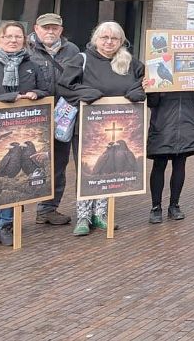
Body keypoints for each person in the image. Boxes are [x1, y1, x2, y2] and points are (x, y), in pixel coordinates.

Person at [59, 21, 145, 236]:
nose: (109, 42)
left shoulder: (129, 62)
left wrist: (139, 91)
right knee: (88, 173)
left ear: (121, 41)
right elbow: (63, 85)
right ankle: (83, 216)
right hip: (89, 127)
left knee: (110, 172)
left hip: (119, 127)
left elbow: (145, 81)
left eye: (114, 38)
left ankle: (101, 214)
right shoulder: (82, 59)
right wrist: (82, 92)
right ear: (95, 39)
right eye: (104, 37)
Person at [0, 22, 50, 247]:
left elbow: (46, 90)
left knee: (11, 179)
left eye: (18, 37)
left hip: (20, 125)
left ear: (24, 40)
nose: (13, 40)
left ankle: (5, 225)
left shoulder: (31, 65)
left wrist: (36, 93)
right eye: (8, 37)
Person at [27, 13, 80, 226]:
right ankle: (10, 215)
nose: (50, 31)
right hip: (34, 118)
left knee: (58, 164)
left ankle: (48, 209)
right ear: (36, 28)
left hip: (63, 117)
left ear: (61, 30)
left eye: (54, 28)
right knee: (28, 165)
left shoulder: (73, 51)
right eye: (45, 27)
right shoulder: (24, 49)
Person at [146, 90, 194, 223]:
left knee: (179, 164)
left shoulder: (191, 70)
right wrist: (152, 88)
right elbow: (152, 102)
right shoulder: (157, 69)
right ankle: (156, 207)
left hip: (185, 124)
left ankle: (174, 206)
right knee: (159, 164)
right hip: (163, 124)